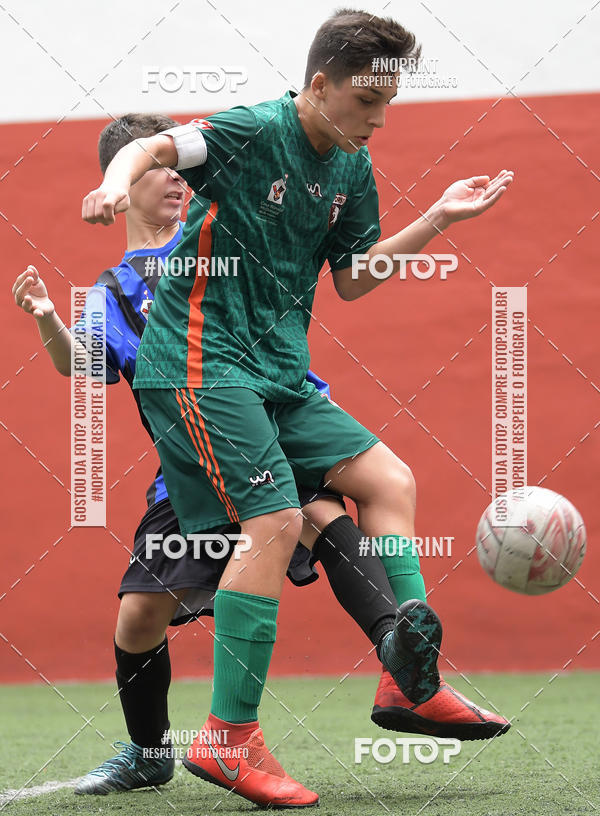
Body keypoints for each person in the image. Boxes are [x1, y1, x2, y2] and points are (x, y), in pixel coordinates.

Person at [82, 10, 514, 803]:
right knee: (276, 524)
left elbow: (352, 277)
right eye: (364, 104)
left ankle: (408, 682)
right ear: (318, 87)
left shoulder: (352, 164)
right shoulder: (252, 128)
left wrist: (439, 219)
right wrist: (115, 180)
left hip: (277, 373)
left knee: (390, 480)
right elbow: (157, 146)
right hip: (199, 365)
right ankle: (227, 738)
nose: (378, 121)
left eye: (387, 106)